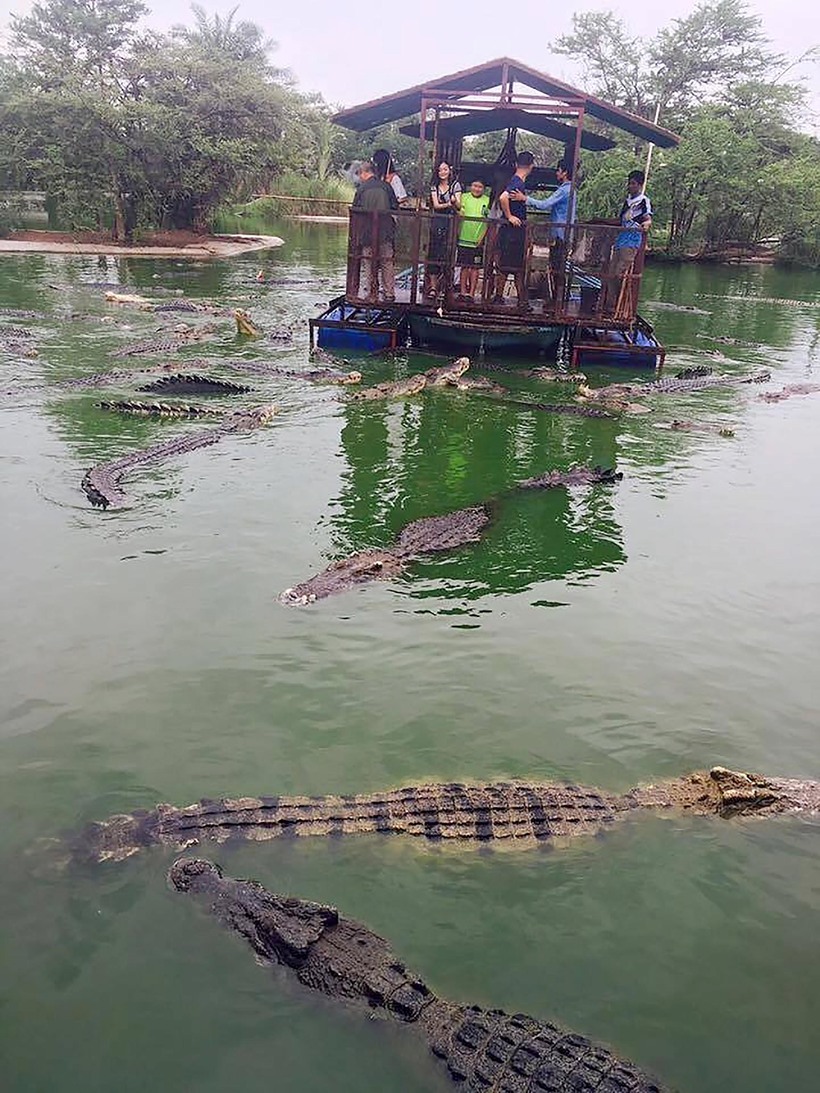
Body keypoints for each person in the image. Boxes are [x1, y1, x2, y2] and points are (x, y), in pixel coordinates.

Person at [525, 159, 576, 301]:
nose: (556, 173)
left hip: (560, 235)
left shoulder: (565, 190)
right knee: (557, 267)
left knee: (558, 267)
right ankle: (557, 299)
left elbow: (544, 205)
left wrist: (525, 198)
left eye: (558, 170)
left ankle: (558, 300)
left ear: (565, 172)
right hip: (561, 234)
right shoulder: (570, 189)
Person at [351, 160, 398, 303]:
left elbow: (355, 210)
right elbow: (394, 206)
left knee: (369, 263)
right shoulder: (386, 187)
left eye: (360, 173)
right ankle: (389, 293)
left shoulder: (361, 189)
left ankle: (372, 293)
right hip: (385, 232)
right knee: (387, 262)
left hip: (367, 232)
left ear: (365, 173)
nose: (359, 177)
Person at [605, 170, 652, 314]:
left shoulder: (643, 201)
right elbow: (621, 220)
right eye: (629, 183)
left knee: (621, 273)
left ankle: (620, 305)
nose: (630, 186)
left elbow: (647, 218)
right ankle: (611, 306)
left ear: (640, 185)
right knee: (611, 274)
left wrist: (646, 225)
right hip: (620, 241)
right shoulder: (627, 202)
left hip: (631, 241)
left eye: (633, 184)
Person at [493, 151, 534, 305]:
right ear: (531, 166)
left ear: (517, 164)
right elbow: (503, 197)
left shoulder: (517, 181)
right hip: (512, 232)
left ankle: (508, 297)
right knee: (514, 265)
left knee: (510, 264)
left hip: (513, 231)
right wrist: (509, 216)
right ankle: (518, 300)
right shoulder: (517, 182)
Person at [426, 162, 462, 299]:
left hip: (451, 221)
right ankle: (433, 287)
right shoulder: (434, 186)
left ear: (449, 170)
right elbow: (436, 205)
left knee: (449, 252)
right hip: (438, 220)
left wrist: (454, 202)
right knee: (434, 253)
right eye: (440, 170)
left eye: (445, 169)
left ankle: (448, 286)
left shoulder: (456, 186)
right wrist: (450, 203)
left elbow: (459, 205)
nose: (442, 172)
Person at [457, 179, 490, 300]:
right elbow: (458, 213)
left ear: (484, 188)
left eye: (480, 187)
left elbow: (489, 222)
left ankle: (471, 294)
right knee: (464, 266)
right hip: (463, 238)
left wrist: (482, 238)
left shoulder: (487, 200)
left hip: (477, 241)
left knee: (475, 268)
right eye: (474, 186)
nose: (477, 189)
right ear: (471, 186)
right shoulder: (464, 197)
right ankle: (462, 292)